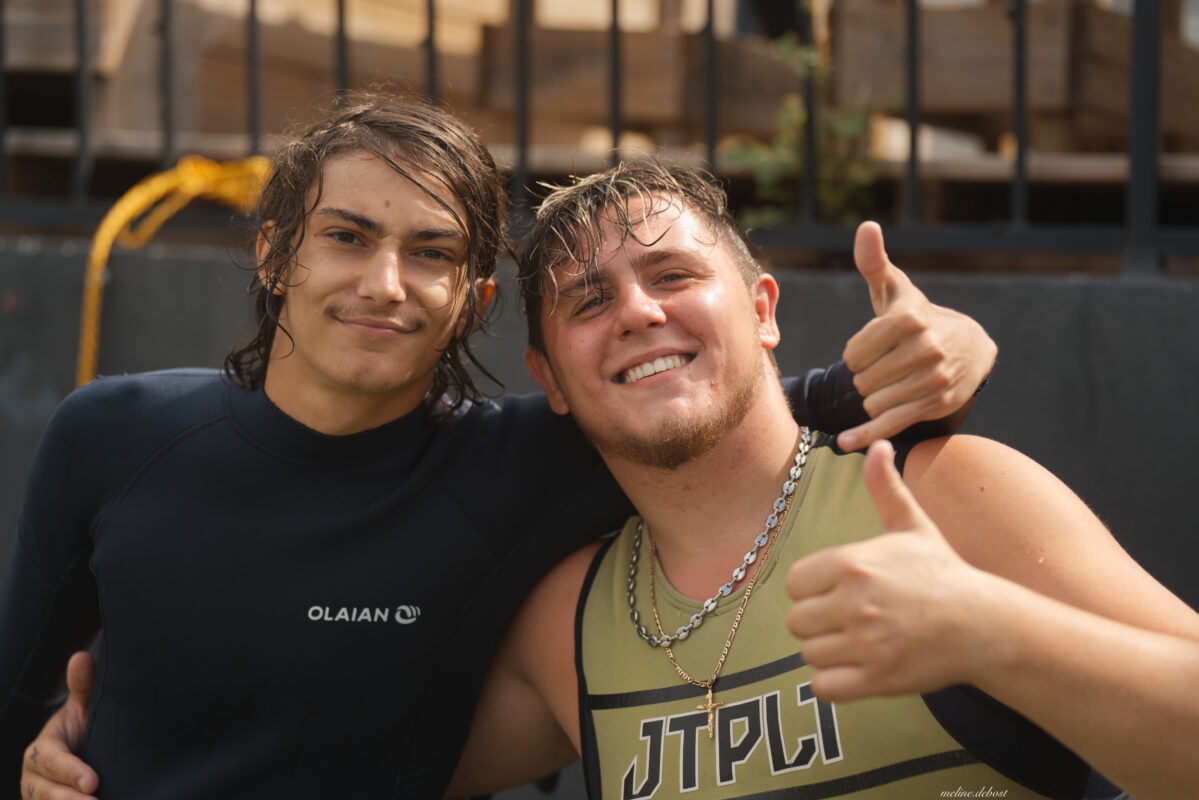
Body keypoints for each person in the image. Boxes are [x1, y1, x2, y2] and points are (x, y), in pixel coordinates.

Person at [5, 96, 995, 799]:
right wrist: (36, 761)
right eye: (346, 236)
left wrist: (954, 343)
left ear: (473, 301)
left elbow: (761, 401)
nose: (385, 282)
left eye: (430, 252)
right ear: (273, 254)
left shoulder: (526, 463)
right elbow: (18, 695)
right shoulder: (112, 435)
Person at [435, 161, 1199, 800]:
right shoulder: (567, 624)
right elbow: (375, 768)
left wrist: (992, 633)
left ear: (762, 311)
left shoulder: (944, 493)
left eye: (672, 274)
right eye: (590, 301)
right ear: (549, 378)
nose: (637, 312)